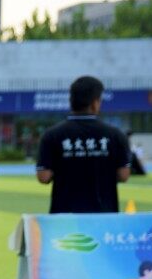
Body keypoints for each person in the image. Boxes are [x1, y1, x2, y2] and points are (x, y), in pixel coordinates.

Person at [35, 76, 130, 214]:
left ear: (71, 101)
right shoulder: (116, 135)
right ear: (95, 103)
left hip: (64, 216)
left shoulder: (52, 135)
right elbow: (123, 175)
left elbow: (43, 176)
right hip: (104, 215)